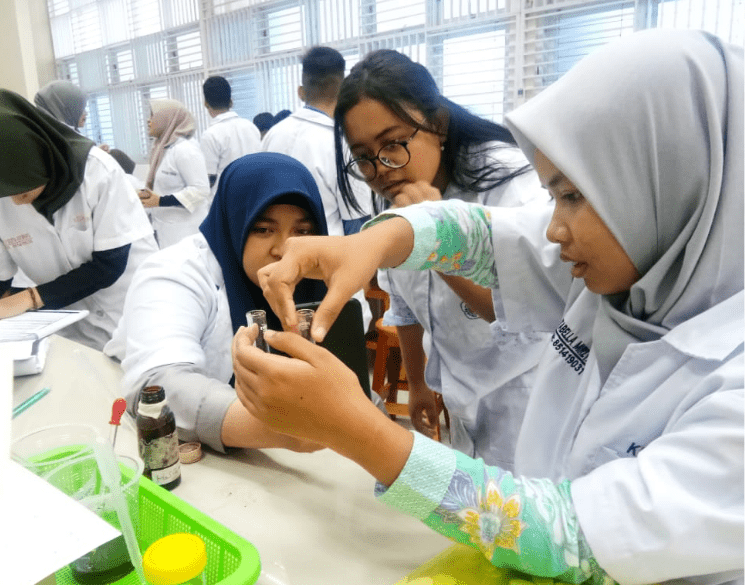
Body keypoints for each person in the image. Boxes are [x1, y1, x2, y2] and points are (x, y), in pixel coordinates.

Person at [232, 30, 743, 585]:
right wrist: (372, 241)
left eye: (572, 195)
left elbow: (571, 537)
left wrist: (356, 430)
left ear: (668, 181)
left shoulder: (729, 382)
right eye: (554, 196)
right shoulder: (637, 265)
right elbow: (480, 236)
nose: (553, 226)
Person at [330, 49, 547, 464]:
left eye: (394, 143)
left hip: (526, 391)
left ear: (438, 124)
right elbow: (405, 303)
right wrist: (419, 385)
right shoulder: (392, 196)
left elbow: (515, 311)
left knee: (518, 515)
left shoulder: (508, 183)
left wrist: (436, 237)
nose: (384, 168)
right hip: (462, 390)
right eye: (364, 157)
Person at [105, 152, 331, 454]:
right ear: (234, 222)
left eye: (302, 231)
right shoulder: (175, 272)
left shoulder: (321, 274)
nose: (283, 249)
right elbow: (158, 385)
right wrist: (284, 431)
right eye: (263, 229)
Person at [0, 88, 158, 351]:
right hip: (70, 323)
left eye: (22, 190)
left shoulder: (96, 172)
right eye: (4, 194)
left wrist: (26, 299)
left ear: (40, 155)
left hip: (135, 311)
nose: (15, 202)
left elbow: (108, 265)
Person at [263, 46, 373, 237]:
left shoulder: (273, 135)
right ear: (344, 88)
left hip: (277, 251)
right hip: (325, 256)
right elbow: (356, 221)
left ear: (302, 90)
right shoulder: (343, 143)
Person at [139, 99, 210, 249]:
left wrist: (160, 201)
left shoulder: (185, 149)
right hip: (167, 229)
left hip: (186, 232)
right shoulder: (161, 148)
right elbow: (162, 188)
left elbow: (201, 190)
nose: (148, 121)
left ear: (167, 119)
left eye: (152, 116)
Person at [199, 76, 260, 196]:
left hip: (225, 201)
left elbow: (208, 179)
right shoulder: (251, 127)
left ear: (206, 104)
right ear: (231, 101)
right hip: (253, 196)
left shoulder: (210, 135)